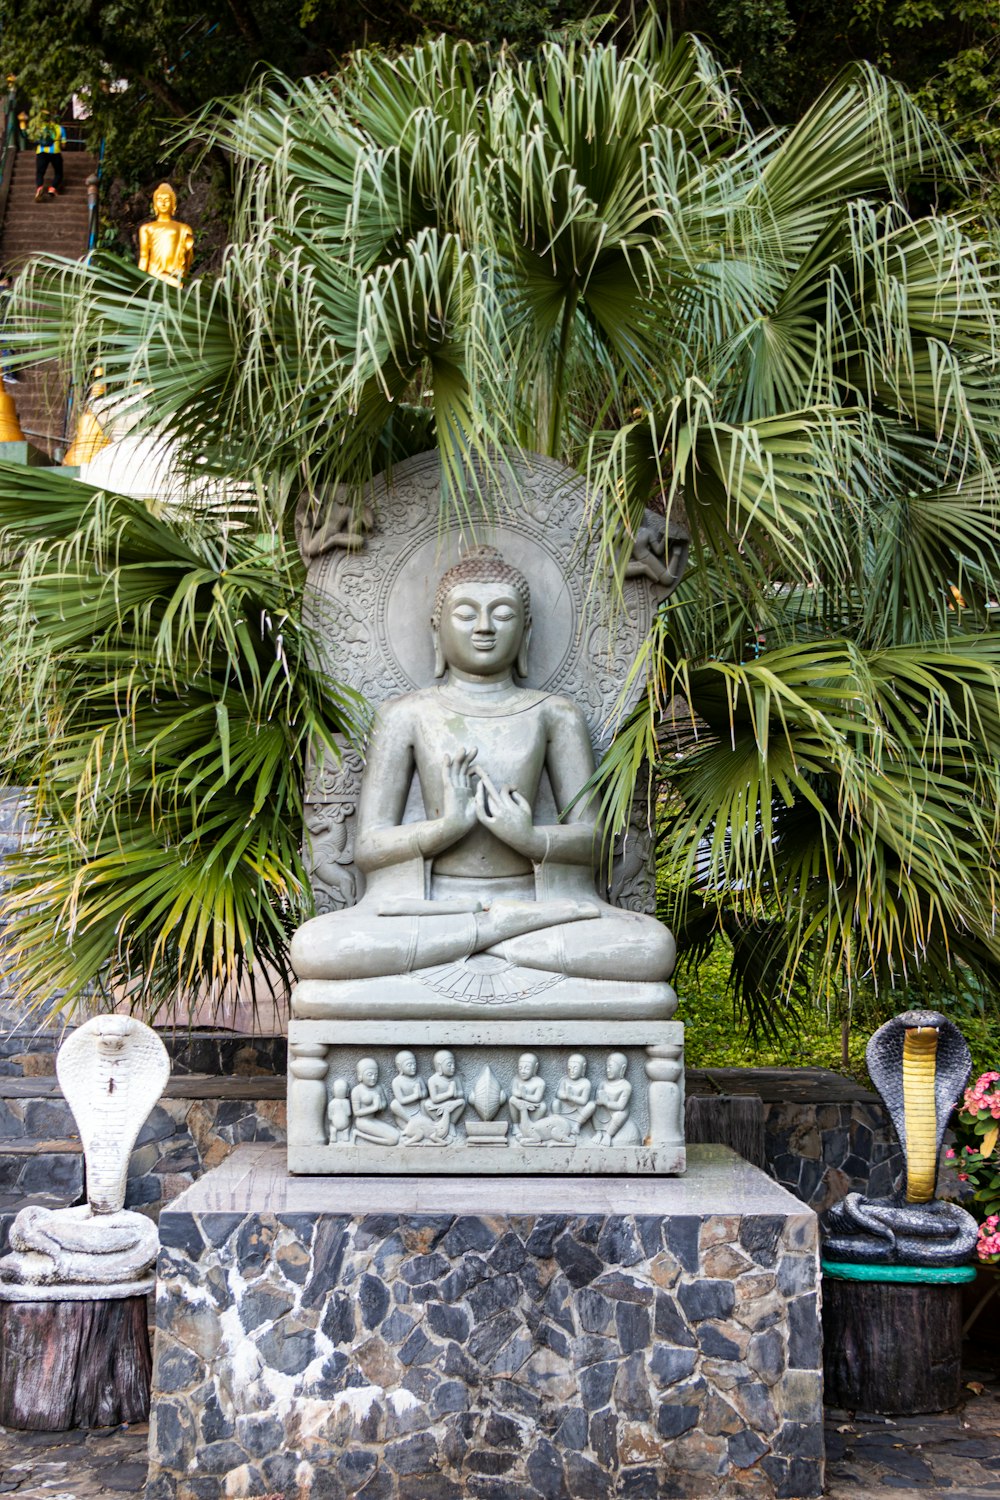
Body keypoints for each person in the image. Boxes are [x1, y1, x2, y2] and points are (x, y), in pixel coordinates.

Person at [290, 546, 676, 989]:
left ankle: (476, 938)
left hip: (534, 904)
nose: (485, 628)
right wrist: (446, 827)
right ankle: (495, 935)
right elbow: (369, 847)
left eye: (504, 614)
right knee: (317, 947)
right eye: (466, 613)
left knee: (651, 946)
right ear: (437, 630)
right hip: (430, 908)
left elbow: (594, 841)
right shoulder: (405, 715)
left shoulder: (555, 714)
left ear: (526, 631)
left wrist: (530, 838)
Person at [137, 183, 194, 287]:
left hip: (174, 275)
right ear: (155, 205)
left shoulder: (183, 229)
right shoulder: (146, 228)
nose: (163, 203)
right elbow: (144, 257)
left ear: (173, 205)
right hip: (153, 276)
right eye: (159, 199)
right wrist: (139, 282)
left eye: (167, 200)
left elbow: (188, 259)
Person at [31, 110, 66, 201]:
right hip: (55, 152)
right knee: (59, 173)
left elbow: (33, 140)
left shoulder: (39, 128)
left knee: (40, 173)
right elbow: (64, 145)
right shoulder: (60, 128)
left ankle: (39, 188)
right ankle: (52, 188)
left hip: (41, 152)